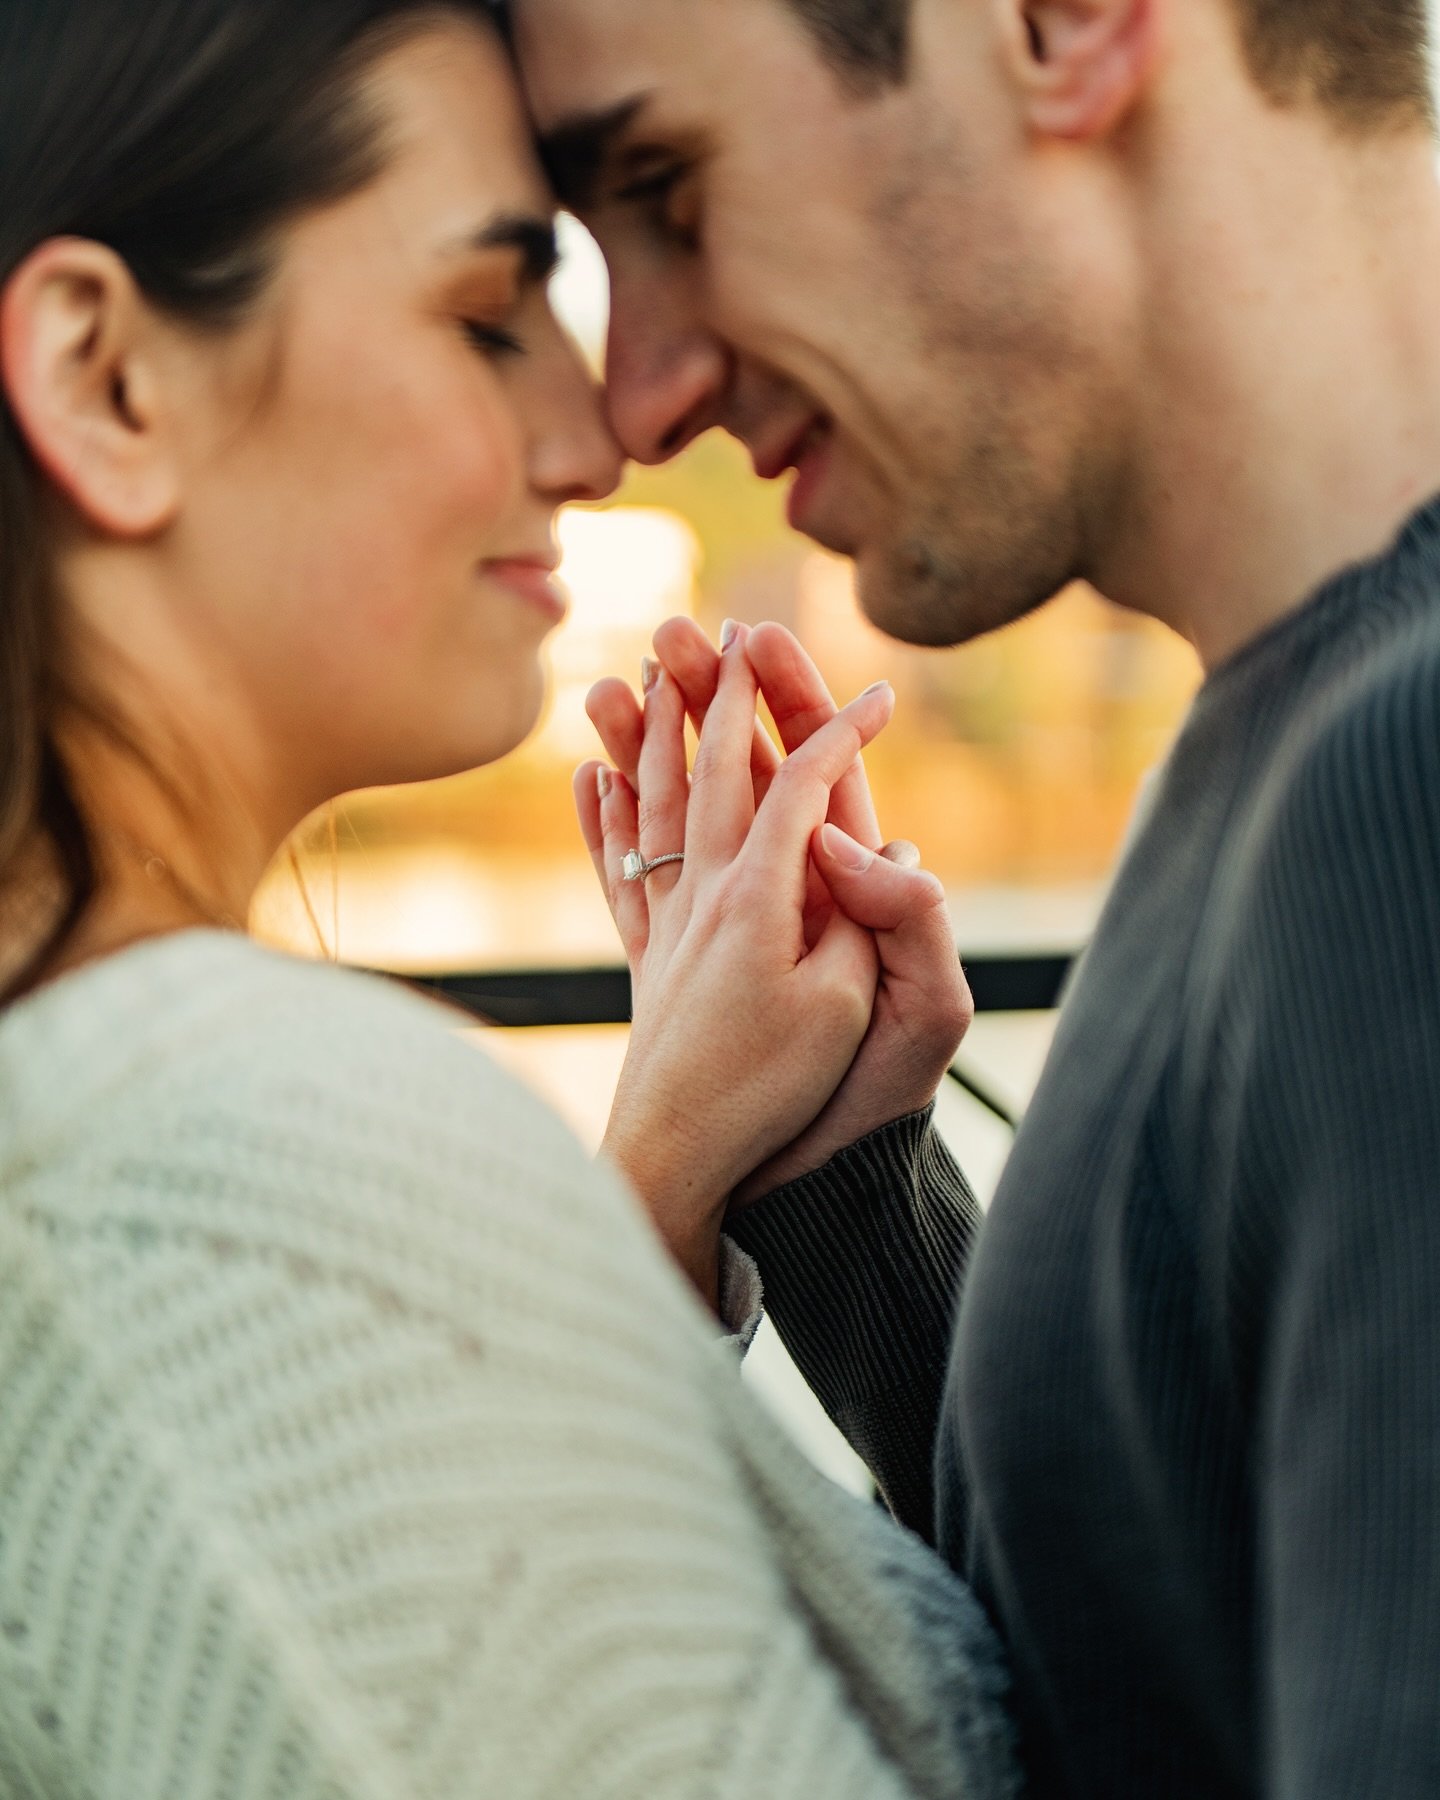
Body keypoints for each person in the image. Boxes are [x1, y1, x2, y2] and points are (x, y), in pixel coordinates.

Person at [0, 4, 1025, 1796]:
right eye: (488, 318)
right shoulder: (245, 1164)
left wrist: (689, 1179)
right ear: (106, 377)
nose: (604, 425)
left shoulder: (149, 1152)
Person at [507, 0, 1440, 1792]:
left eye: (667, 189)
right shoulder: (1292, 741)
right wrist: (845, 1189)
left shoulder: (1394, 794)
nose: (636, 398)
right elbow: (1168, 1675)